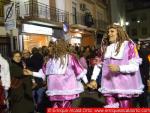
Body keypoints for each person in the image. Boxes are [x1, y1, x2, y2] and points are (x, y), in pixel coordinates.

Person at [88, 24, 144, 108]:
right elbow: (98, 65)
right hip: (108, 86)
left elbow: (135, 66)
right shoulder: (105, 48)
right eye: (108, 32)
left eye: (112, 31)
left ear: (119, 32)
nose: (109, 34)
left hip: (125, 88)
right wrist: (93, 79)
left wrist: (119, 68)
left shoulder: (129, 45)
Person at [24, 39, 88, 108]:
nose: (51, 48)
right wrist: (31, 73)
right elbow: (43, 73)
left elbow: (80, 71)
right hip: (55, 92)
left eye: (53, 46)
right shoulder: (50, 60)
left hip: (65, 91)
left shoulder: (69, 58)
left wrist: (87, 82)